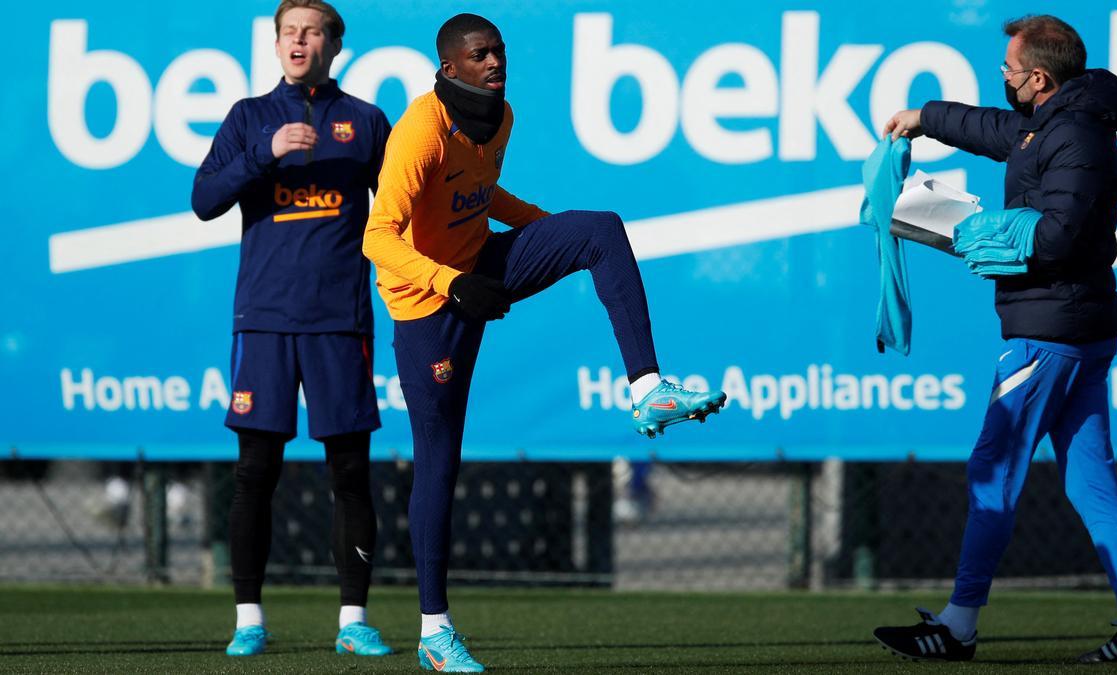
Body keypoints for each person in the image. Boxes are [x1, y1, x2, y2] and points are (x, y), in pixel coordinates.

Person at [363, 13, 727, 672]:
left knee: (599, 229)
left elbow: (480, 192)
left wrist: (547, 230)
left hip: (480, 267)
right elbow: (377, 237)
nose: (495, 62)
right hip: (425, 305)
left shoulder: (501, 117)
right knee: (438, 461)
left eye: (499, 51)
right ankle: (434, 631)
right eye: (480, 55)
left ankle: (648, 390)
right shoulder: (419, 132)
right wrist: (451, 285)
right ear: (449, 69)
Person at [872, 15, 1117, 664]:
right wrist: (924, 116)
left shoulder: (1077, 133)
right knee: (1090, 482)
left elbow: (1060, 233)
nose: (1001, 80)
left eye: (1008, 71)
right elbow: (995, 130)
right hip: (1074, 329)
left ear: (1038, 77)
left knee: (993, 472)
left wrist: (978, 231)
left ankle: (959, 624)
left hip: (1048, 332)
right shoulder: (1054, 120)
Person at [192, 0, 393, 658]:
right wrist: (264, 154)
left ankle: (352, 620)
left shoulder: (364, 121)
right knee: (255, 472)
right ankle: (249, 616)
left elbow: (398, 207)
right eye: (288, 32)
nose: (298, 41)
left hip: (339, 320)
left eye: (311, 32)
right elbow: (204, 200)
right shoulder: (249, 117)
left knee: (350, 472)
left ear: (335, 44)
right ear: (276, 44)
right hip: (266, 320)